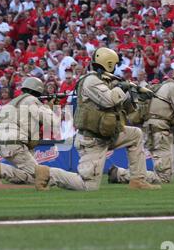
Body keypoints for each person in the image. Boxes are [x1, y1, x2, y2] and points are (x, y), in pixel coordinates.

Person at [34, 48, 160, 191]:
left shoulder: (106, 81)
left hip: (107, 134)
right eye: (115, 65)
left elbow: (126, 108)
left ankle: (138, 180)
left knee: (135, 135)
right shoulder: (91, 81)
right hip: (92, 140)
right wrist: (123, 87)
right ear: (109, 64)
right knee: (87, 186)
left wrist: (137, 97)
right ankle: (48, 173)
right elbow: (109, 100)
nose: (116, 68)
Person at [111, 63, 174, 184]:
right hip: (158, 132)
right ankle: (120, 174)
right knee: (164, 178)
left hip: (164, 128)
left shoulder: (166, 86)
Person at [0, 76, 83, 190]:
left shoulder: (10, 103)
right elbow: (54, 123)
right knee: (42, 175)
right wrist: (53, 107)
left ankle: (2, 170)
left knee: (32, 175)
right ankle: (78, 183)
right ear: (38, 91)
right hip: (14, 143)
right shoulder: (33, 101)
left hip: (0, 142)